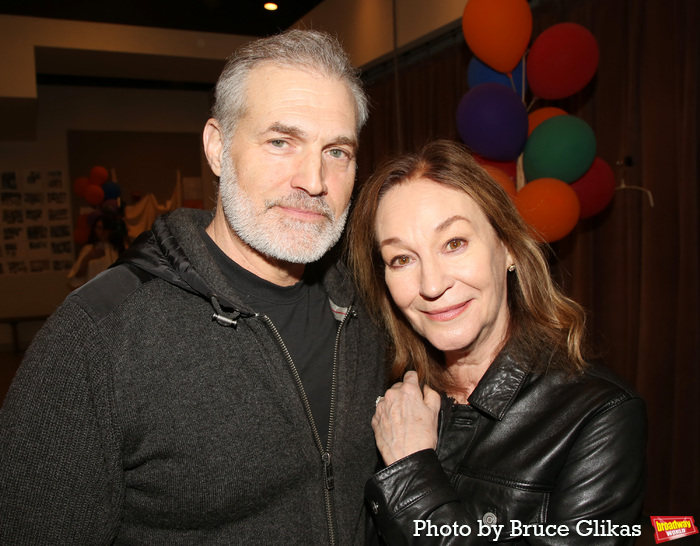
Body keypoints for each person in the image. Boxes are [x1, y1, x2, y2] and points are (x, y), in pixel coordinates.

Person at [0, 30, 386, 544]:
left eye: (336, 151)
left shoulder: (371, 307)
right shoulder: (100, 334)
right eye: (280, 142)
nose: (314, 180)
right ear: (216, 147)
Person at [347, 140, 646, 545]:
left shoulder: (598, 416)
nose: (432, 285)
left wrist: (411, 470)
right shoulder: (389, 399)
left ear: (507, 247)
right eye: (402, 258)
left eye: (454, 243)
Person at [67, 214, 127, 288]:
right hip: (93, 291)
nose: (102, 232)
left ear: (110, 230)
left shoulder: (117, 249)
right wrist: (88, 257)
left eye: (104, 228)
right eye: (98, 228)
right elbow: (77, 276)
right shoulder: (88, 249)